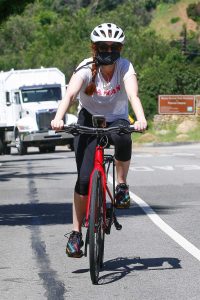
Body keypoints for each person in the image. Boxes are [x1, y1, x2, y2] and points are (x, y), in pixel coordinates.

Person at [51, 23, 147, 258]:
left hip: (116, 119)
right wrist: (58, 118)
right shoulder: (85, 68)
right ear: (95, 48)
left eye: (113, 46)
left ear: (120, 49)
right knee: (83, 180)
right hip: (88, 120)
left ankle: (121, 185)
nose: (109, 50)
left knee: (124, 137)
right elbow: (71, 95)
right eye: (103, 46)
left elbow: (133, 95)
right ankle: (75, 233)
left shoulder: (124, 67)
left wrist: (142, 119)